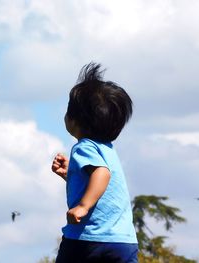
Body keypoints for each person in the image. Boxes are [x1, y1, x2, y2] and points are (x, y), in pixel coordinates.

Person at [51, 63, 138, 263]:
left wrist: (82, 206)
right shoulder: (108, 150)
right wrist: (72, 175)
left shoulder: (84, 147)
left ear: (75, 119)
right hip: (123, 241)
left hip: (88, 239)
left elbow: (101, 174)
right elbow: (102, 183)